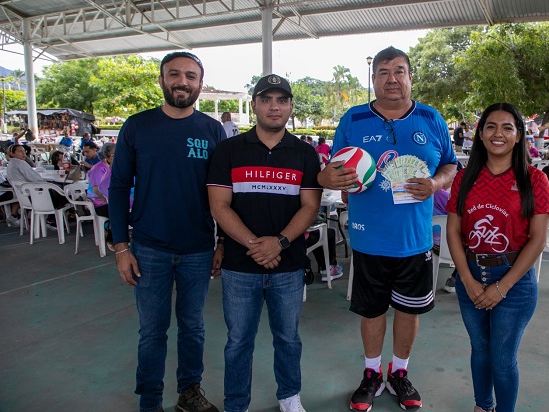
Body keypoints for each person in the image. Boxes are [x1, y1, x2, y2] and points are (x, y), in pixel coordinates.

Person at [317, 46, 457, 412]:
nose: (391, 78)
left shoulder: (431, 118)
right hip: (368, 237)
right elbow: (333, 171)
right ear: (374, 78)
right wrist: (333, 178)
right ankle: (371, 373)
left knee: (409, 312)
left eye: (399, 70)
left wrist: (437, 184)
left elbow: (450, 165)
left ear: (411, 76)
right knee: (372, 311)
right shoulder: (354, 119)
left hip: (414, 240)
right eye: (383, 71)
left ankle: (399, 372)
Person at [109, 51, 225, 412]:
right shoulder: (137, 126)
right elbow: (117, 188)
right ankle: (150, 400)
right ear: (161, 80)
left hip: (198, 248)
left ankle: (189, 392)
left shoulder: (211, 130)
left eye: (190, 76)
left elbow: (223, 193)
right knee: (152, 331)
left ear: (200, 85)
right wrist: (121, 248)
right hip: (148, 249)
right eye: (174, 74)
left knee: (193, 328)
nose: (182, 82)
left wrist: (222, 242)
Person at [207, 74, 322, 412]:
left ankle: (289, 396)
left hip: (287, 265)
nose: (275, 106)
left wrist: (281, 242)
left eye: (282, 100)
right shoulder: (229, 150)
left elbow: (310, 206)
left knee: (288, 338)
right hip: (240, 267)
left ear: (290, 107)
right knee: (238, 341)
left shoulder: (304, 153)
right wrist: (257, 244)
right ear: (254, 104)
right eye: (267, 99)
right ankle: (236, 403)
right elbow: (219, 205)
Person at [445, 102, 549, 412]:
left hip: (515, 282)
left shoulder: (535, 180)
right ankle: (483, 406)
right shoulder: (465, 178)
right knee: (479, 349)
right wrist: (466, 279)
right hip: (471, 276)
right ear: (479, 134)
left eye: (508, 127)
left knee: (502, 358)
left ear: (519, 136)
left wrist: (502, 286)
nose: (498, 134)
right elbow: (453, 232)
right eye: (491, 126)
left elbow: (538, 240)